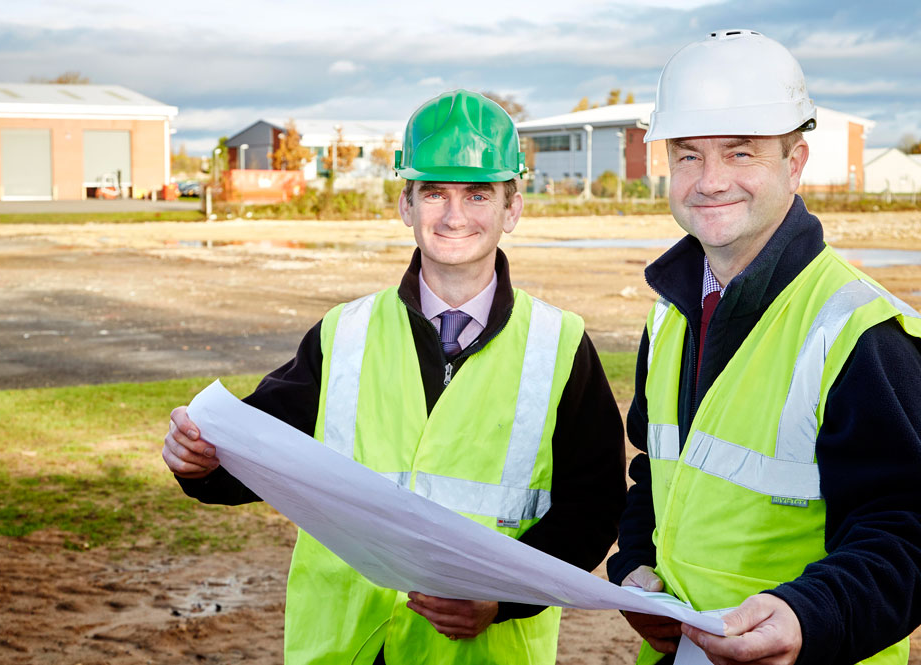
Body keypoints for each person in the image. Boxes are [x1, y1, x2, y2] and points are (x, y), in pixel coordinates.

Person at [162, 89, 627, 665]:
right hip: (347, 645)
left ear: (512, 209)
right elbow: (257, 454)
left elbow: (596, 506)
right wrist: (202, 463)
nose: (455, 216)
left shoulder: (560, 345)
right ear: (405, 205)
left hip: (485, 651)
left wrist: (503, 599)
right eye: (433, 192)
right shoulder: (343, 334)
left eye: (478, 194)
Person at [606, 29, 921, 665]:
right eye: (689, 155)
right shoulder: (668, 318)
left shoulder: (859, 332)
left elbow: (907, 529)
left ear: (795, 163)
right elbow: (660, 473)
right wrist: (637, 567)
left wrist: (810, 617)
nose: (710, 180)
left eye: (741, 153)